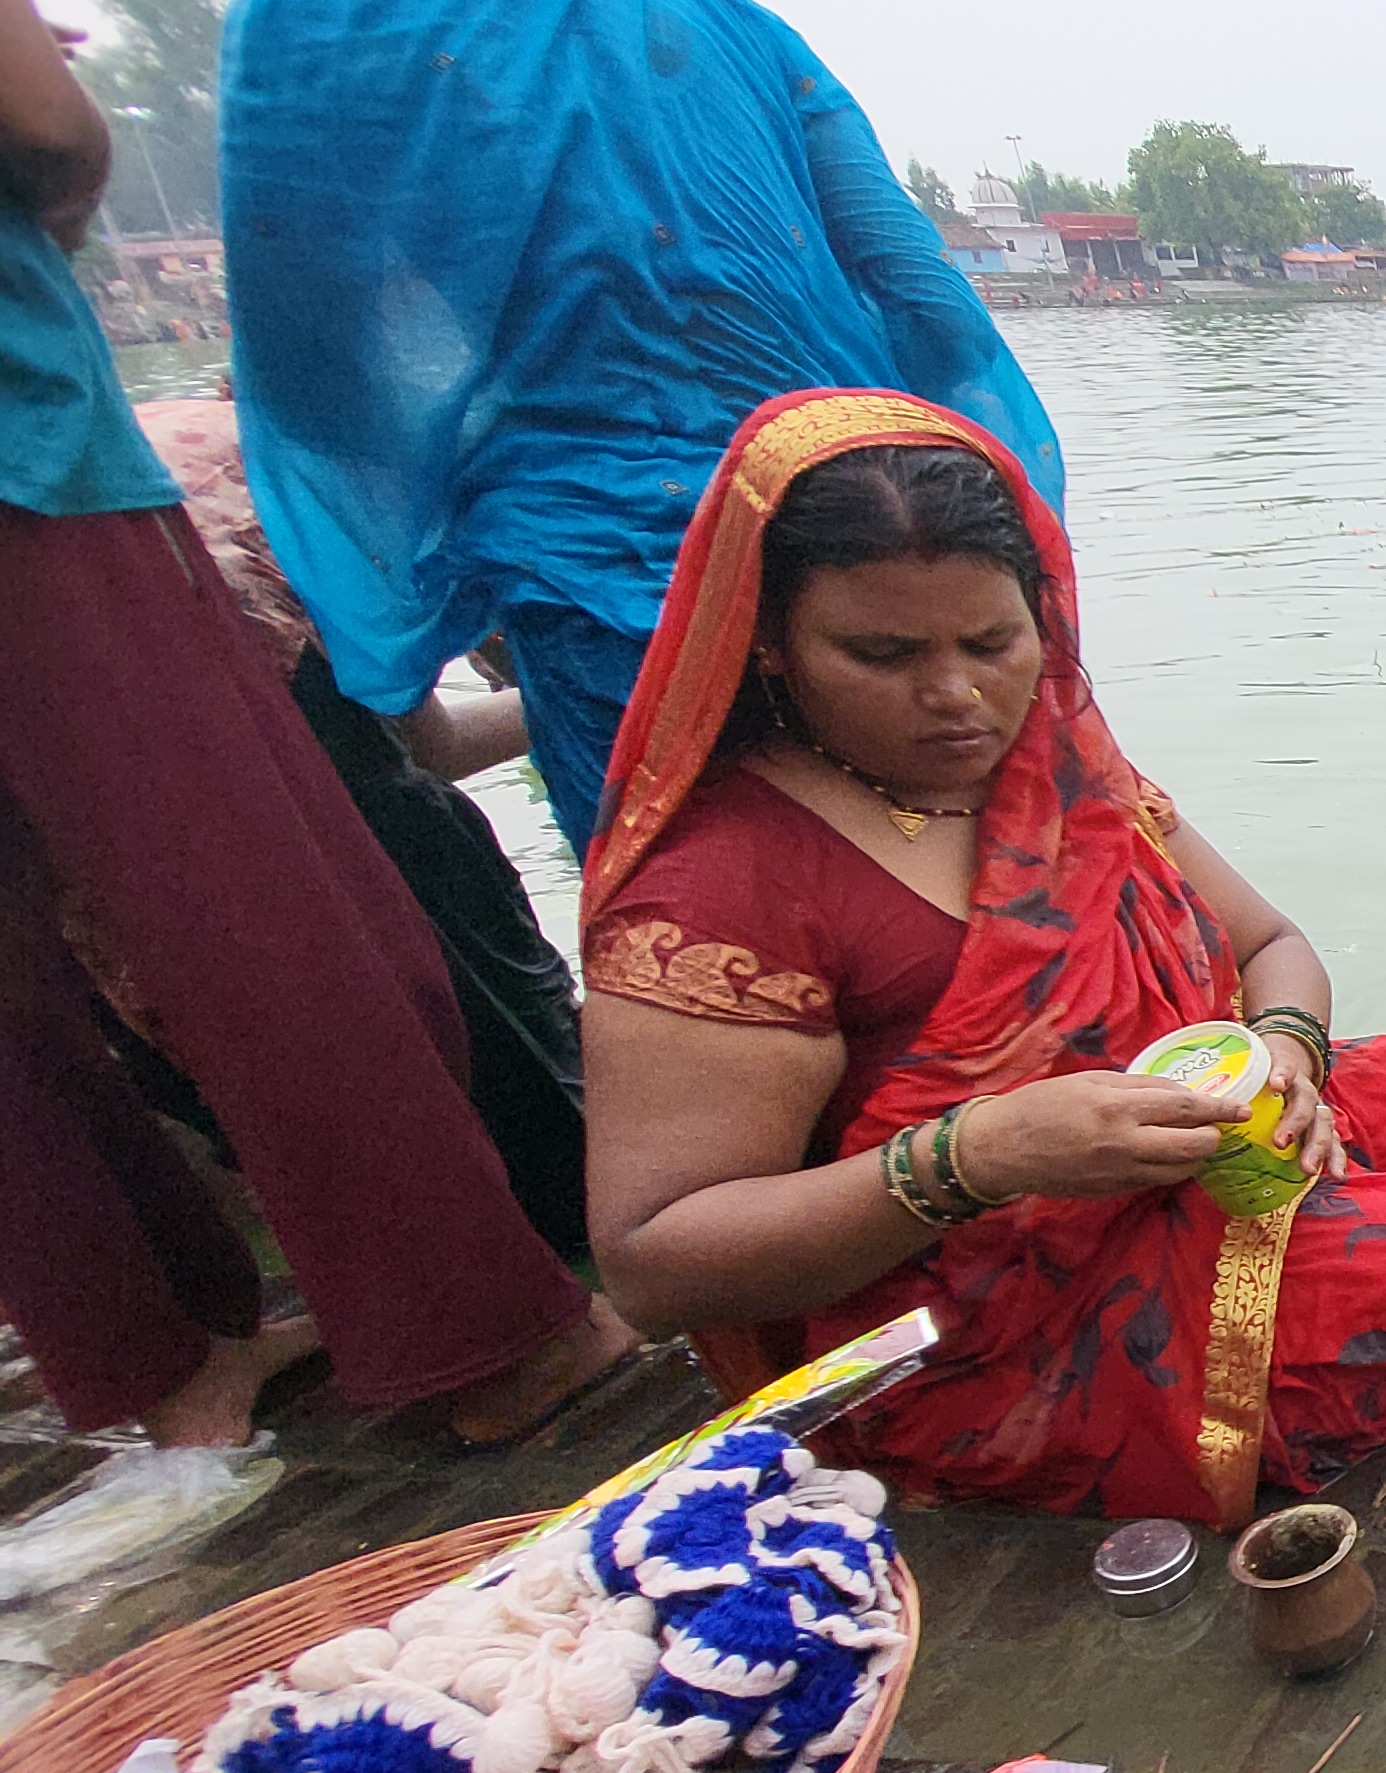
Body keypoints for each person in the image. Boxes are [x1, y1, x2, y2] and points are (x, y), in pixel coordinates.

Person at [580, 391, 1386, 1521]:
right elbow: (654, 1264)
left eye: (992, 642)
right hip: (993, 1321)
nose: (955, 694)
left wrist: (1288, 1054)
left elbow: (1272, 945)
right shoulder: (726, 884)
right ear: (772, 647)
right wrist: (977, 1154)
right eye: (881, 654)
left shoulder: (1058, 767)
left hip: (1190, 1159)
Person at [0, 0, 630, 1448]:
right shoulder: (292, 498)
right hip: (27, 467)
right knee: (275, 914)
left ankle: (146, 1354)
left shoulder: (283, 470)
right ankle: (485, 1340)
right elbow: (42, 123)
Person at [216, 0, 1060, 853]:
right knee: (937, 889)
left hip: (584, 562)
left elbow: (316, 350)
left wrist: (453, 563)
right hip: (829, 531)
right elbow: (926, 299)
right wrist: (958, 537)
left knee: (679, 923)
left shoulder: (324, 22)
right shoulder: (731, 28)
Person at [132, 397, 591, 1257]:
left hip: (136, 887)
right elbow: (436, 747)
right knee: (553, 1176)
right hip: (355, 846)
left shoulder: (172, 441)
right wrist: (581, 692)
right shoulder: (322, 501)